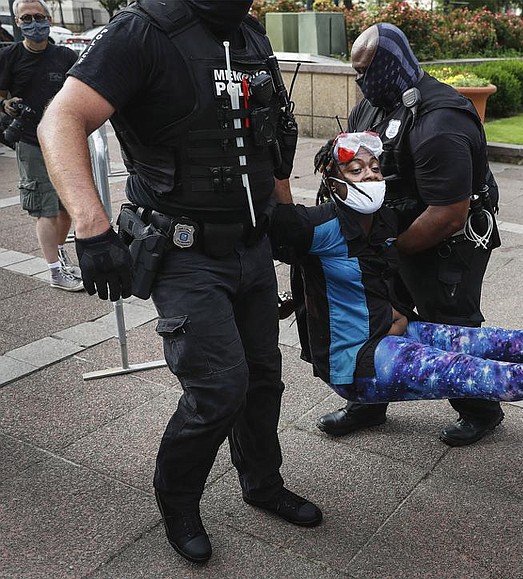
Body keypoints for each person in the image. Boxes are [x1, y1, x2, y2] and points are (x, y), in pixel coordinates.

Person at [37, 0, 319, 565]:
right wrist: (92, 230)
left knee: (263, 378)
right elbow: (60, 120)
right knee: (218, 388)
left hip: (253, 242)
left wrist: (284, 217)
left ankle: (262, 483)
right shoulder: (143, 31)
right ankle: (179, 502)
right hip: (185, 251)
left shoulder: (249, 35)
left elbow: (269, 136)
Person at [272, 132, 523, 404]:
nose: (370, 176)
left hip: (396, 332)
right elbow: (280, 220)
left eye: (374, 167)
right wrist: (278, 160)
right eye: (356, 170)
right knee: (473, 373)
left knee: (495, 342)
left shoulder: (385, 219)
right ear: (334, 182)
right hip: (356, 362)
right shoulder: (319, 227)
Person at [317, 23, 505, 447]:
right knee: (375, 317)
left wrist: (391, 251)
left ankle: (480, 409)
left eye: (367, 70)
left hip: (449, 243)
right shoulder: (370, 108)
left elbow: (448, 214)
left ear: (392, 64)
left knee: (450, 325)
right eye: (356, 71)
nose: (360, 80)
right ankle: (368, 401)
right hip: (391, 235)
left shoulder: (442, 120)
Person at [0, 0, 82, 292]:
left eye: (39, 17)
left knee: (67, 207)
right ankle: (55, 271)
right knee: (45, 209)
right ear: (18, 23)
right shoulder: (9, 56)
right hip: (30, 141)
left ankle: (60, 255)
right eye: (27, 18)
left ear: (49, 18)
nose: (34, 23)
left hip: (65, 141)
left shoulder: (66, 56)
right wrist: (5, 104)